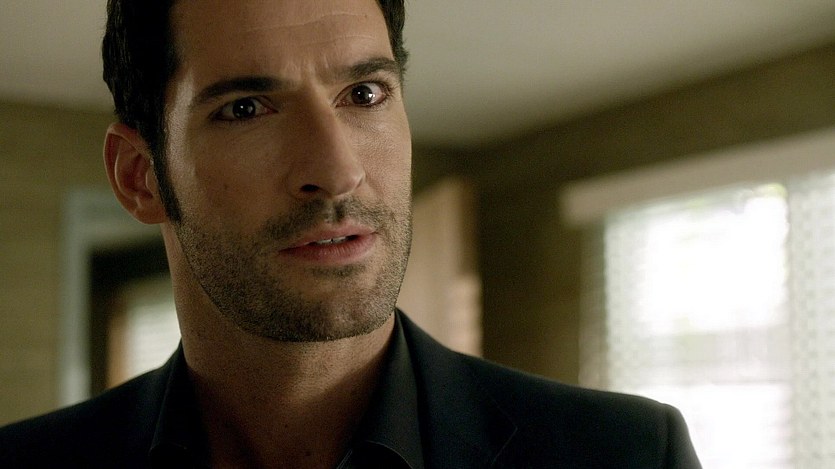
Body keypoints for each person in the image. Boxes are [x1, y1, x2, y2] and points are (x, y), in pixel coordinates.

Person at [0, 0, 702, 467]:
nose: (336, 172)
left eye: (364, 94)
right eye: (246, 108)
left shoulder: (627, 454)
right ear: (140, 176)